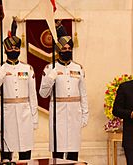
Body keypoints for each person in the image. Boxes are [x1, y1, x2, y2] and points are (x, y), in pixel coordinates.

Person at [39, 21, 89, 161]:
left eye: (69, 48)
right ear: (58, 50)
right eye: (64, 48)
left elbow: (83, 94)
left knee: (73, 151)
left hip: (75, 113)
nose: (67, 50)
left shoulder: (78, 68)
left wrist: (85, 113)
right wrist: (51, 78)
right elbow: (43, 94)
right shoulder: (50, 69)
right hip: (58, 114)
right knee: (58, 150)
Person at [0, 19, 38, 161]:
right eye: (10, 48)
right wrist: (1, 74)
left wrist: (34, 118)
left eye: (16, 48)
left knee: (25, 148)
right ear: (5, 50)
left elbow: (33, 94)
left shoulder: (27, 68)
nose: (14, 51)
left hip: (25, 111)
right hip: (7, 112)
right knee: (7, 149)